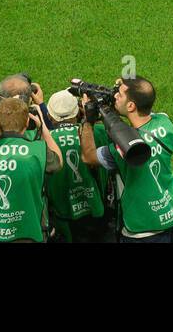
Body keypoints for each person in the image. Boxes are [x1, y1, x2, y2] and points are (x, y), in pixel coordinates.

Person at [79, 76, 173, 242]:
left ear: (131, 105)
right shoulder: (165, 123)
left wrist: (88, 120)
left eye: (119, 95)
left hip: (144, 228)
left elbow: (88, 157)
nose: (114, 96)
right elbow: (137, 124)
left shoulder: (122, 151)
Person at [0, 97, 62, 242]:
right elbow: (58, 163)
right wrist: (43, 128)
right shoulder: (38, 150)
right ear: (27, 122)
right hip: (27, 233)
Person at [45, 90, 108, 241]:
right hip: (95, 206)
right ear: (78, 112)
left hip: (61, 212)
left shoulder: (44, 142)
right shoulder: (98, 132)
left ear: (49, 116)